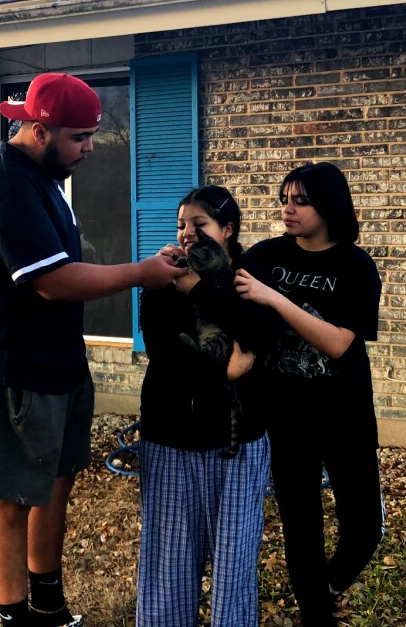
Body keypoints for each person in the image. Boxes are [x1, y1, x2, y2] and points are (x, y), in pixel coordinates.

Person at [0, 72, 185, 627]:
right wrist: (141, 274)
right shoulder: (5, 186)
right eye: (80, 138)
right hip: (13, 363)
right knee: (9, 497)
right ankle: (18, 618)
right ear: (39, 130)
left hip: (57, 358)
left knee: (56, 483)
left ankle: (49, 602)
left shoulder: (43, 176)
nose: (89, 148)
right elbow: (52, 281)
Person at [234, 162, 385, 627]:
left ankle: (328, 587)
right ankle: (315, 614)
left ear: (329, 206)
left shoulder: (355, 267)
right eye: (285, 199)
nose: (288, 209)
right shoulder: (265, 255)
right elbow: (219, 278)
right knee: (302, 528)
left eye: (300, 201)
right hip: (285, 415)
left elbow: (339, 343)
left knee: (363, 527)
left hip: (344, 412)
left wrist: (274, 298)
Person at [136, 185, 274, 627]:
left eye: (200, 224)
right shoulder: (160, 281)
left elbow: (257, 340)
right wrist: (225, 368)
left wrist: (199, 290)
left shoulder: (252, 279)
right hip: (170, 437)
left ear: (228, 230)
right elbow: (165, 354)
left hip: (239, 445)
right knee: (168, 570)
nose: (187, 233)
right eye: (181, 225)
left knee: (234, 570)